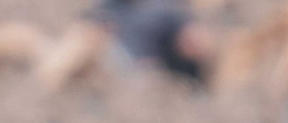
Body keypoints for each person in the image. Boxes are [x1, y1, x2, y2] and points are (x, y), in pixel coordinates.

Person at [36, 0, 217, 93]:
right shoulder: (171, 15)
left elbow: (145, 70)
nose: (194, 46)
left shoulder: (179, 65)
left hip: (117, 57)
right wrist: (101, 22)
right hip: (102, 33)